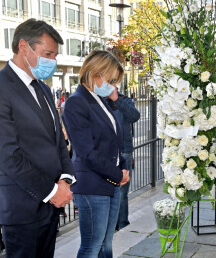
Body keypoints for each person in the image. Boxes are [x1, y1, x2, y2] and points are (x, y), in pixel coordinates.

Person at [0, 18, 75, 258]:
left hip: (50, 206)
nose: (53, 61)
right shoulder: (2, 87)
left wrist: (65, 180)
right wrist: (52, 192)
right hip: (22, 207)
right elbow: (8, 155)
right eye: (48, 53)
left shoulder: (41, 87)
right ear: (24, 47)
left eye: (55, 55)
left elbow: (57, 140)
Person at [62, 50, 130, 258]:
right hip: (93, 184)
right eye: (111, 80)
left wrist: (123, 166)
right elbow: (86, 152)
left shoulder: (100, 100)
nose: (114, 86)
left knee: (106, 244)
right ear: (95, 73)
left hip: (110, 182)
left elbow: (113, 142)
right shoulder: (76, 102)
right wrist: (118, 175)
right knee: (92, 246)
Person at [106, 90, 140, 230]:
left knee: (121, 191)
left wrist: (117, 100)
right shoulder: (97, 100)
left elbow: (134, 116)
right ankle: (110, 224)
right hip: (105, 153)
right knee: (107, 190)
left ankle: (122, 224)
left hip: (123, 151)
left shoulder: (124, 100)